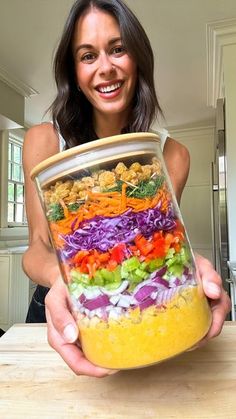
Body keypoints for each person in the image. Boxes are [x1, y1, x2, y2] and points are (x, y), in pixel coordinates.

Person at [22, 0, 230, 377]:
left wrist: (182, 275)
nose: (106, 67)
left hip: (137, 315)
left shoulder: (173, 155)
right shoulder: (44, 142)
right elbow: (36, 248)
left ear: (138, 58)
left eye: (118, 49)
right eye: (88, 55)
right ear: (74, 70)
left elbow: (157, 246)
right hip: (61, 310)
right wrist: (68, 281)